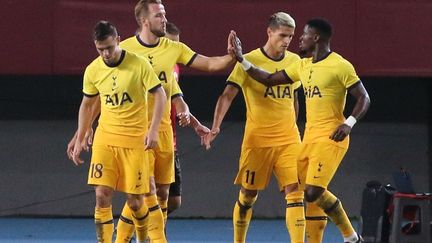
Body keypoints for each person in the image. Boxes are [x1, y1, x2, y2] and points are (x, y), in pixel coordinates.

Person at [230, 18, 370, 243]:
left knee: (312, 191)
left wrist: (349, 123)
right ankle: (349, 238)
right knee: (311, 194)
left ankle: (351, 237)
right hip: (308, 139)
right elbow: (267, 79)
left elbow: (364, 97)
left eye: (303, 35)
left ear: (316, 38)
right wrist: (241, 59)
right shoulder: (302, 66)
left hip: (332, 137)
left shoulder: (340, 65)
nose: (299, 39)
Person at [204, 12, 305, 243]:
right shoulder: (248, 60)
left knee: (295, 193)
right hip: (257, 141)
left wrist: (294, 128)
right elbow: (227, 95)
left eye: (290, 36)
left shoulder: (294, 61)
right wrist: (216, 126)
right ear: (269, 32)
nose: (287, 41)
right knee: (248, 194)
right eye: (282, 35)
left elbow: (294, 99)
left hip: (289, 140)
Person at [71, 20, 166, 243]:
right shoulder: (93, 70)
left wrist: (153, 131)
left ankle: (142, 238)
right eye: (100, 49)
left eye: (109, 48)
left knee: (135, 201)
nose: (105, 54)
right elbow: (87, 104)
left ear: (118, 41)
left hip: (135, 141)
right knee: (101, 195)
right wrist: (81, 135)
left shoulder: (139, 64)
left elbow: (160, 95)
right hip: (106, 139)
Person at [165, 21, 183, 215]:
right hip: (149, 139)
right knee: (151, 193)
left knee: (174, 201)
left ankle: (138, 226)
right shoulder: (145, 66)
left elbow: (176, 97)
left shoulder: (175, 68)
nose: (175, 49)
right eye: (172, 44)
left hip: (171, 140)